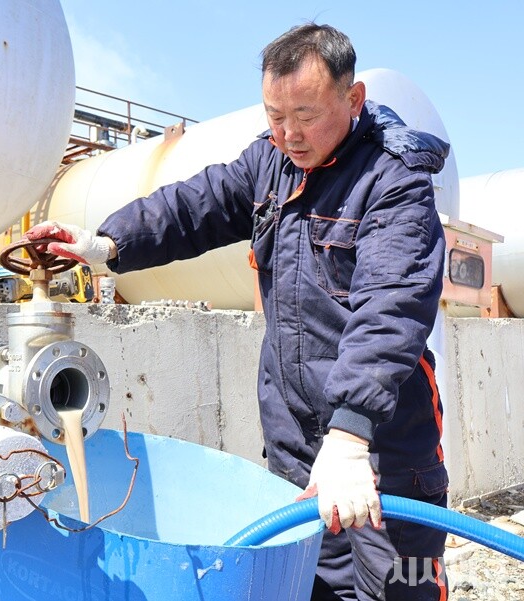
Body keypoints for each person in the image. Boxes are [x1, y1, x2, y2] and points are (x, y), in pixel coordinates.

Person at [26, 23, 449, 601]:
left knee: (400, 589)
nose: (289, 134)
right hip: (296, 444)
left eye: (305, 114)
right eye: (275, 116)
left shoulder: (394, 182)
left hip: (380, 448)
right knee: (306, 586)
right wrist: (107, 244)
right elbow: (192, 206)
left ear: (353, 101)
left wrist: (351, 436)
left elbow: (390, 309)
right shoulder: (269, 164)